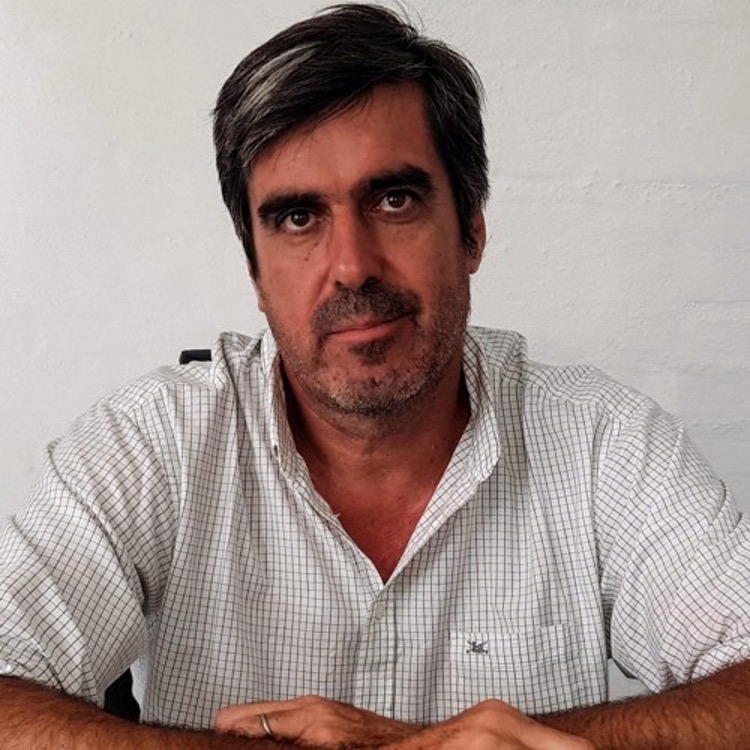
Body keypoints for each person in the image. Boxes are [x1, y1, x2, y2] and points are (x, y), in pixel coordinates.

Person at [1, 4, 748, 748]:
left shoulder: (604, 442)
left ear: (472, 232)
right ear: (255, 273)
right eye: (299, 218)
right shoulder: (153, 441)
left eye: (394, 201)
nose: (352, 266)